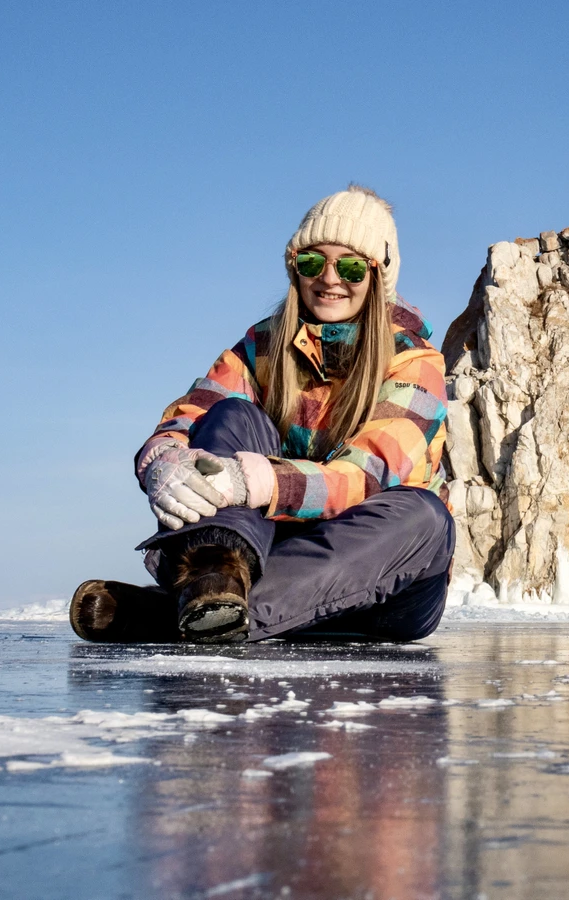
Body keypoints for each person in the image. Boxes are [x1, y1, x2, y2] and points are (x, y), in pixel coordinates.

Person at [71, 186, 453, 644]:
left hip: (383, 581)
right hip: (272, 554)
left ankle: (178, 615)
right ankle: (212, 590)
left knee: (424, 518)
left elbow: (364, 476)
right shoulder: (263, 346)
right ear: (296, 266)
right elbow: (193, 413)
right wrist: (163, 459)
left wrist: (263, 481)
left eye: (351, 266)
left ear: (376, 275)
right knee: (234, 415)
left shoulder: (415, 361)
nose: (330, 278)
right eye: (314, 261)